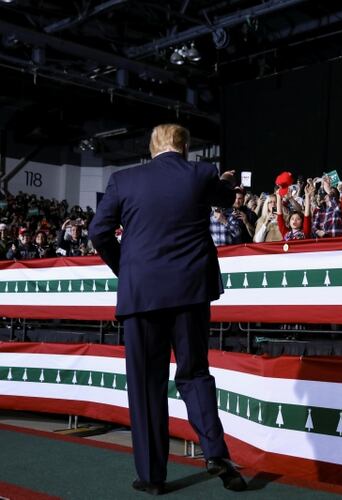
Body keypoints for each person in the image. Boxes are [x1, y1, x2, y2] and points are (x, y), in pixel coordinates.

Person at [88, 124, 246, 494]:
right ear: (186, 148)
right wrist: (221, 182)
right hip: (191, 292)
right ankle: (215, 451)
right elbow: (227, 198)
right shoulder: (201, 173)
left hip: (141, 294)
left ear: (151, 146)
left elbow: (98, 232)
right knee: (194, 374)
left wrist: (125, 266)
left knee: (146, 386)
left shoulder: (123, 180)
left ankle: (152, 477)